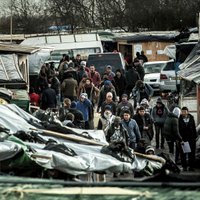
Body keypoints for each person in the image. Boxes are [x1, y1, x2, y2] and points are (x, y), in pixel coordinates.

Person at [179, 107, 198, 171]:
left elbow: (194, 128)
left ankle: (191, 166)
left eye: (184, 111)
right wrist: (179, 139)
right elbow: (178, 130)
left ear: (188, 112)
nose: (183, 113)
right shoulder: (180, 119)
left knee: (191, 153)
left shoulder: (191, 118)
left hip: (191, 138)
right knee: (183, 153)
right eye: (182, 111)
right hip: (183, 138)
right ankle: (184, 166)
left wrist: (195, 137)